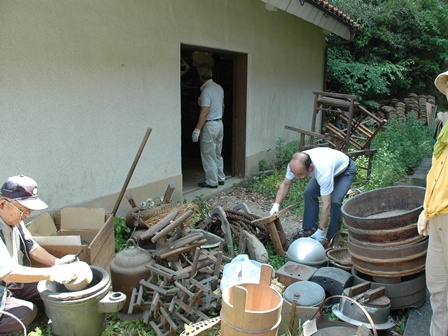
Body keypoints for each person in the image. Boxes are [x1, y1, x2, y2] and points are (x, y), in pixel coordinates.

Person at [0, 175, 83, 334]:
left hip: (14, 284)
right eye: (23, 210)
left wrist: (57, 263)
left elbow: (32, 247)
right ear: (3, 204)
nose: (27, 215)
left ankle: (15, 300)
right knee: (26, 312)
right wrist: (52, 273)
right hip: (4, 283)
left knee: (52, 290)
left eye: (29, 210)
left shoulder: (15, 220)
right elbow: (8, 274)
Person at [270, 147, 356, 244]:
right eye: (295, 174)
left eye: (300, 174)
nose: (297, 177)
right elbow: (286, 184)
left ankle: (332, 239)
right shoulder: (294, 165)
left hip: (344, 171)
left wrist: (321, 230)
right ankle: (309, 230)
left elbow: (326, 204)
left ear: (310, 167)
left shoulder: (322, 171)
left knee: (335, 202)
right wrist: (276, 205)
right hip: (329, 167)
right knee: (309, 193)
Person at [418, 70, 448, 336]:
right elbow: (438, 173)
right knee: (438, 288)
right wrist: (427, 210)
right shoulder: (446, 132)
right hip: (438, 218)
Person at [191, 63, 226, 189]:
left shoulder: (206, 91)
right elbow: (222, 106)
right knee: (217, 152)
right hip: (219, 123)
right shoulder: (219, 88)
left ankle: (212, 181)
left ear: (200, 76)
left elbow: (204, 111)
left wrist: (197, 129)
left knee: (208, 154)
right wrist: (219, 118)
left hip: (210, 125)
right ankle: (220, 177)